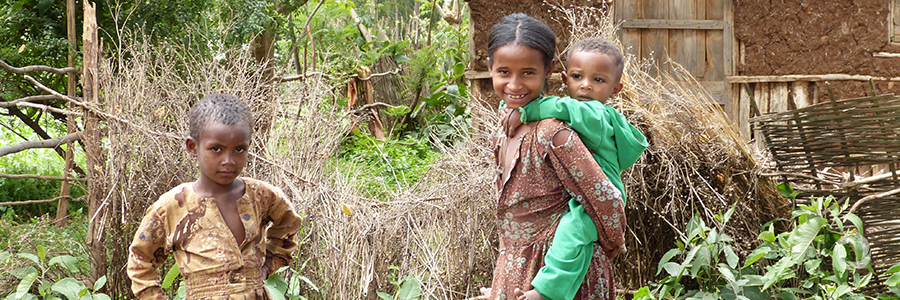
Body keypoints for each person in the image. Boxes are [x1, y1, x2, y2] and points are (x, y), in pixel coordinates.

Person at [481, 13, 627, 300]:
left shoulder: (552, 133)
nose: (514, 84)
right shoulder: (506, 126)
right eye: (504, 72)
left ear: (548, 70)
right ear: (490, 68)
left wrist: (611, 241)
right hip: (521, 274)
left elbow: (608, 200)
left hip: (565, 278)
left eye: (527, 73)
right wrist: (503, 283)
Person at [127, 94, 302, 299]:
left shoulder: (262, 196)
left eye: (239, 149)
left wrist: (266, 266)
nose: (229, 160)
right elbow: (140, 261)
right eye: (216, 149)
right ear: (193, 147)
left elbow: (289, 225)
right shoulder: (172, 206)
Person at [518, 38, 649, 300]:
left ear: (616, 89)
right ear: (565, 78)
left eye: (598, 80)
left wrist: (522, 110)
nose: (586, 85)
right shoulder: (585, 116)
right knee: (581, 242)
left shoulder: (597, 116)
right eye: (577, 76)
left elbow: (562, 106)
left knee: (573, 232)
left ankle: (547, 291)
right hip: (584, 193)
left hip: (600, 196)